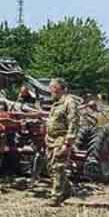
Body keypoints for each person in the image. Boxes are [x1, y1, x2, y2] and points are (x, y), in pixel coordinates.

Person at [44, 78, 80, 206]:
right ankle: (68, 190)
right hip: (51, 140)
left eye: (51, 87)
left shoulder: (69, 102)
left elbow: (73, 123)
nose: (49, 90)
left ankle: (56, 198)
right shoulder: (56, 103)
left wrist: (68, 143)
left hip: (61, 139)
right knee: (50, 168)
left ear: (59, 88)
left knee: (58, 167)